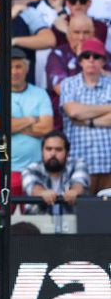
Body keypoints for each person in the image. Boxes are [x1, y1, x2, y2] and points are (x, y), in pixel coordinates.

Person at [0, 47, 53, 198]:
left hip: (35, 168)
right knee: (1, 217)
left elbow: (47, 128)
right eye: (10, 67)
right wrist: (31, 119)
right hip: (2, 167)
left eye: (18, 66)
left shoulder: (40, 94)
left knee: (33, 219)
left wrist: (12, 125)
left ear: (26, 69)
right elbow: (1, 125)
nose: (14, 71)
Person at [60, 38, 111, 192]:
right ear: (80, 61)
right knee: (81, 214)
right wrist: (108, 108)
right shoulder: (69, 83)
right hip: (78, 165)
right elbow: (74, 111)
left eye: (96, 56)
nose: (91, 60)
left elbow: (79, 113)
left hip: (109, 163)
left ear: (103, 61)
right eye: (86, 56)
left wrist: (89, 121)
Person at [22, 130, 90, 215]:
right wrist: (42, 193)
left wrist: (75, 191)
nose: (53, 153)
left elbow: (80, 182)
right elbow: (32, 187)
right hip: (37, 224)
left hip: (72, 224)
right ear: (42, 152)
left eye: (58, 149)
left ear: (67, 153)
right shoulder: (31, 169)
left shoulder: (78, 164)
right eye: (49, 149)